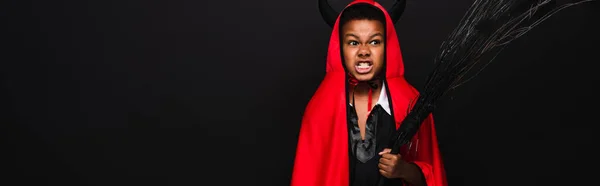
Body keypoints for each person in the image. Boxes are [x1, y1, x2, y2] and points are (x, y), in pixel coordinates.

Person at [291, 0, 447, 186]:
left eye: (374, 41)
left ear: (387, 46)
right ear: (340, 48)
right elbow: (308, 177)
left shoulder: (411, 102)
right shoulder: (320, 108)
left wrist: (404, 170)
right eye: (353, 42)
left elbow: (433, 177)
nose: (364, 51)